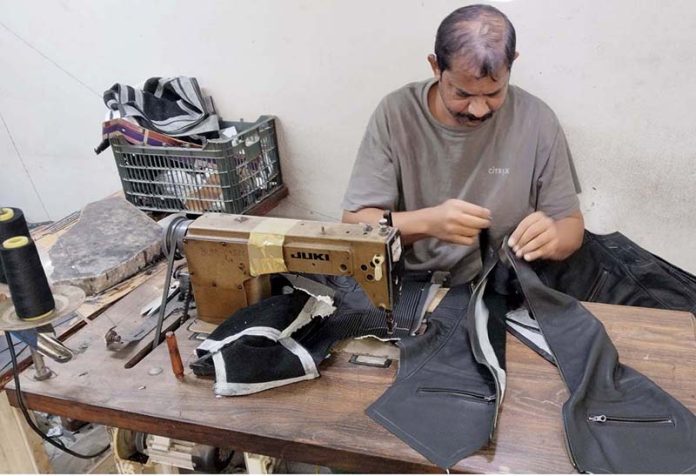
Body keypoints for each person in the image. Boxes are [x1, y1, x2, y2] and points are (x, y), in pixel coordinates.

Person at [341, 4, 584, 285]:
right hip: (417, 285)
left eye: (494, 93)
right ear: (435, 66)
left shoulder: (537, 119)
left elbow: (571, 227)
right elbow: (353, 225)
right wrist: (429, 223)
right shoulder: (396, 113)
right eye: (462, 93)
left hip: (504, 286)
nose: (479, 109)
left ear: (512, 64)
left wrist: (552, 239)